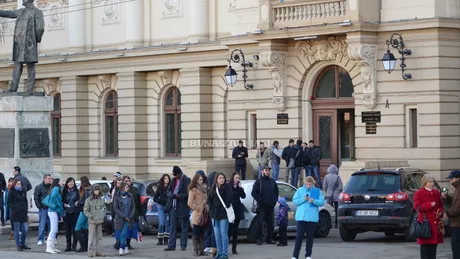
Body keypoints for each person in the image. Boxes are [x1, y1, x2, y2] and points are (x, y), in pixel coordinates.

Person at [291, 176, 324, 259]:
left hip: (312, 218)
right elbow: (295, 201)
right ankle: (295, 255)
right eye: (307, 184)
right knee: (299, 237)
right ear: (305, 184)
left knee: (310, 237)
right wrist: (304, 199)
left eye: (310, 184)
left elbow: (321, 202)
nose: (308, 186)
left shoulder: (317, 191)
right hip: (301, 217)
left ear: (313, 184)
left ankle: (308, 255)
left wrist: (314, 201)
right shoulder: (300, 190)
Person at [413, 174, 444, 259]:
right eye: (430, 182)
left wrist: (440, 212)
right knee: (425, 247)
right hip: (425, 223)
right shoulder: (419, 193)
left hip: (435, 222)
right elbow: (417, 207)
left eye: (432, 181)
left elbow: (440, 205)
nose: (432, 183)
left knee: (433, 247)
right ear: (425, 183)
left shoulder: (436, 192)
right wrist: (429, 205)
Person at [165, 166, 191, 251]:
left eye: (176, 175)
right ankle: (171, 246)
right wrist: (171, 195)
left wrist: (178, 196)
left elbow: (188, 194)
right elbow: (168, 190)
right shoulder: (173, 180)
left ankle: (183, 245)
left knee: (184, 226)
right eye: (174, 175)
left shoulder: (187, 180)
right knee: (172, 226)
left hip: (183, 206)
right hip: (173, 206)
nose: (175, 177)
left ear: (180, 174)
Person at [251, 166, 279, 245]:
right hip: (262, 206)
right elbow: (254, 193)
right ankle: (259, 239)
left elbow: (276, 192)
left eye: (268, 170)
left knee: (271, 223)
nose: (267, 172)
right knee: (260, 222)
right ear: (262, 171)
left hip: (271, 206)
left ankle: (269, 238)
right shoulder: (258, 181)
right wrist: (261, 200)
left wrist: (274, 201)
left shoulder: (272, 181)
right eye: (266, 170)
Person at [208, 173, 232, 259]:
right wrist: (211, 210)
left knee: (223, 233)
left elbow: (229, 199)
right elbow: (209, 200)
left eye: (223, 178)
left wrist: (223, 208)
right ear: (216, 179)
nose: (222, 179)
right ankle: (219, 251)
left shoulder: (227, 187)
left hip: (223, 214)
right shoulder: (213, 188)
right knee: (217, 234)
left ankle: (225, 253)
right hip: (214, 214)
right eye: (220, 178)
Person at [84, 184, 106, 258]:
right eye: (96, 190)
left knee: (99, 237)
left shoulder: (101, 199)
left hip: (99, 220)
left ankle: (98, 251)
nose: (97, 191)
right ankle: (90, 251)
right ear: (92, 191)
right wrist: (91, 216)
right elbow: (86, 210)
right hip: (92, 221)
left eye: (98, 190)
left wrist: (103, 215)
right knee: (91, 237)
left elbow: (104, 208)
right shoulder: (88, 200)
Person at [188, 173, 208, 256]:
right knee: (196, 233)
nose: (201, 181)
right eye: (199, 179)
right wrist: (197, 208)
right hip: (197, 214)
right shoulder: (193, 190)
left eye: (202, 179)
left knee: (202, 233)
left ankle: (202, 250)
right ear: (196, 180)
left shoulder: (204, 188)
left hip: (204, 213)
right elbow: (189, 202)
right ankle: (195, 251)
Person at [7, 179, 30, 251]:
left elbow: (25, 201)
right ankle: (18, 245)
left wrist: (26, 208)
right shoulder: (12, 192)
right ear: (14, 184)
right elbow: (8, 202)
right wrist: (14, 207)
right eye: (17, 184)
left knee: (25, 229)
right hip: (15, 213)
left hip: (23, 212)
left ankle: (23, 244)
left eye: (20, 184)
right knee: (16, 230)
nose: (19, 185)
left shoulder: (23, 191)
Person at [113, 182, 136, 256]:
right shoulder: (117, 196)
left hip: (128, 218)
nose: (128, 188)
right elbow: (116, 208)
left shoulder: (130, 196)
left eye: (128, 187)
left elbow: (133, 207)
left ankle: (121, 248)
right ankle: (125, 247)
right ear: (122, 188)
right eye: (126, 187)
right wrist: (123, 216)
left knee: (123, 233)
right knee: (122, 233)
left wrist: (130, 216)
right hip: (120, 218)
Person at [442, 170, 460, 259]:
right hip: (456, 223)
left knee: (456, 247)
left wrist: (448, 213)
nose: (450, 180)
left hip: (458, 223)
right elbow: (455, 202)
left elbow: (458, 206)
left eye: (452, 178)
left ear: (457, 178)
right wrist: (447, 198)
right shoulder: (457, 187)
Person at [228, 172, 246, 254]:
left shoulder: (239, 188)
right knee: (229, 230)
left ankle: (234, 248)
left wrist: (240, 188)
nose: (237, 179)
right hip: (230, 210)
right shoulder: (229, 186)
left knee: (235, 230)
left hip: (237, 210)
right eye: (236, 178)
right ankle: (225, 247)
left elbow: (243, 196)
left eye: (238, 178)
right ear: (233, 178)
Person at [61, 177, 80, 252]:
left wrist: (78, 202)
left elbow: (80, 199)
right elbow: (61, 201)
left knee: (75, 230)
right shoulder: (64, 191)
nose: (71, 183)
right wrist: (64, 204)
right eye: (69, 182)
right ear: (67, 183)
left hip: (75, 212)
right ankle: (68, 246)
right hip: (67, 213)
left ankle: (74, 245)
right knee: (67, 231)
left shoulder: (77, 191)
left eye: (72, 182)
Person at [122, 176, 140, 250]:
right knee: (124, 230)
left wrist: (139, 213)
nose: (128, 182)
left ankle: (128, 244)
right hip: (124, 213)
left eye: (129, 180)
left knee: (131, 229)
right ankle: (122, 244)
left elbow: (138, 203)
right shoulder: (121, 191)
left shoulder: (134, 190)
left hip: (133, 213)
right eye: (126, 181)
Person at [46, 178, 64, 254]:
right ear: (57, 182)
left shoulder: (55, 188)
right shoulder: (56, 188)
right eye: (61, 181)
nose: (62, 182)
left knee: (55, 229)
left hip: (53, 211)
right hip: (53, 211)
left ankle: (52, 246)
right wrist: (57, 204)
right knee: (53, 229)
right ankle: (49, 247)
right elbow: (53, 197)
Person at [34, 174, 52, 246]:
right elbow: (36, 197)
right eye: (48, 178)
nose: (50, 180)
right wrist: (39, 206)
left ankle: (50, 239)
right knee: (42, 224)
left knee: (51, 225)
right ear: (44, 179)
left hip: (50, 208)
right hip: (43, 208)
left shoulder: (51, 187)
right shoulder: (39, 187)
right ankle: (40, 239)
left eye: (50, 179)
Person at [76, 176, 91, 253]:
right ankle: (86, 245)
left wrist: (78, 202)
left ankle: (83, 246)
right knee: (85, 228)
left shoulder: (86, 190)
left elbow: (85, 201)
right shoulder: (89, 188)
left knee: (77, 228)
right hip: (87, 211)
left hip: (83, 210)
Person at [154, 174, 171, 246]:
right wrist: (159, 200)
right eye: (165, 178)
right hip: (161, 207)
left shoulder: (170, 187)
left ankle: (166, 239)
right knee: (161, 224)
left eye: (168, 178)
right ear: (163, 180)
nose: (166, 180)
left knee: (167, 224)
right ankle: (160, 239)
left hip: (168, 208)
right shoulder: (160, 187)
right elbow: (155, 198)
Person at [204, 171, 218, 256]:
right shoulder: (213, 189)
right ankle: (213, 247)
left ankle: (208, 245)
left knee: (209, 230)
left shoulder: (209, 188)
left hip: (210, 212)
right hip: (213, 213)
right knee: (213, 231)